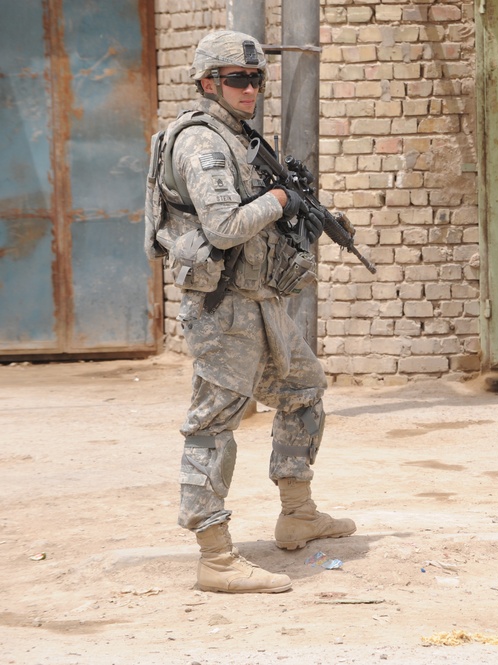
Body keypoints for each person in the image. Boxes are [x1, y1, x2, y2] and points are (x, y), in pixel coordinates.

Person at [147, 30, 355, 594]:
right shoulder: (202, 144)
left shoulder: (240, 140)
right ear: (208, 83)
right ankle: (214, 558)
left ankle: (298, 512)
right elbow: (223, 226)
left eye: (257, 78)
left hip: (260, 304)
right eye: (239, 79)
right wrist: (280, 200)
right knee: (213, 425)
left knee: (304, 389)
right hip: (222, 310)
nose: (251, 89)